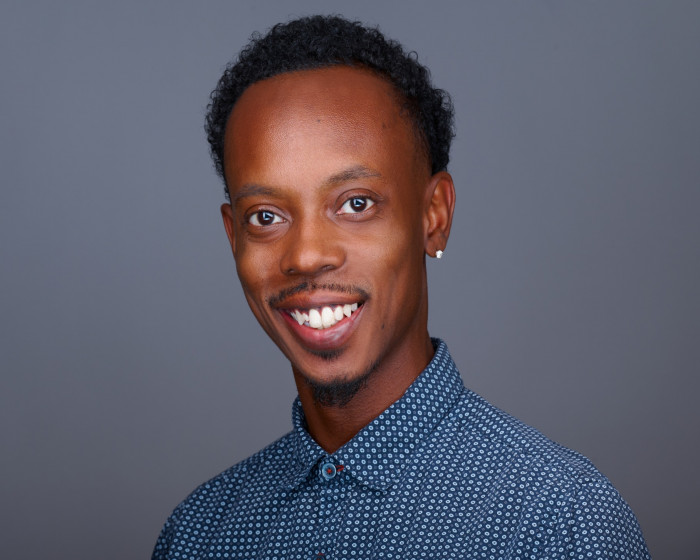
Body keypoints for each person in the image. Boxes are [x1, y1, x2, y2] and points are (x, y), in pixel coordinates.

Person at [152, 15, 650, 559]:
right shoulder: (198, 535)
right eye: (266, 216)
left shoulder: (559, 522)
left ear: (434, 215)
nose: (306, 256)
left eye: (355, 204)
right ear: (233, 237)